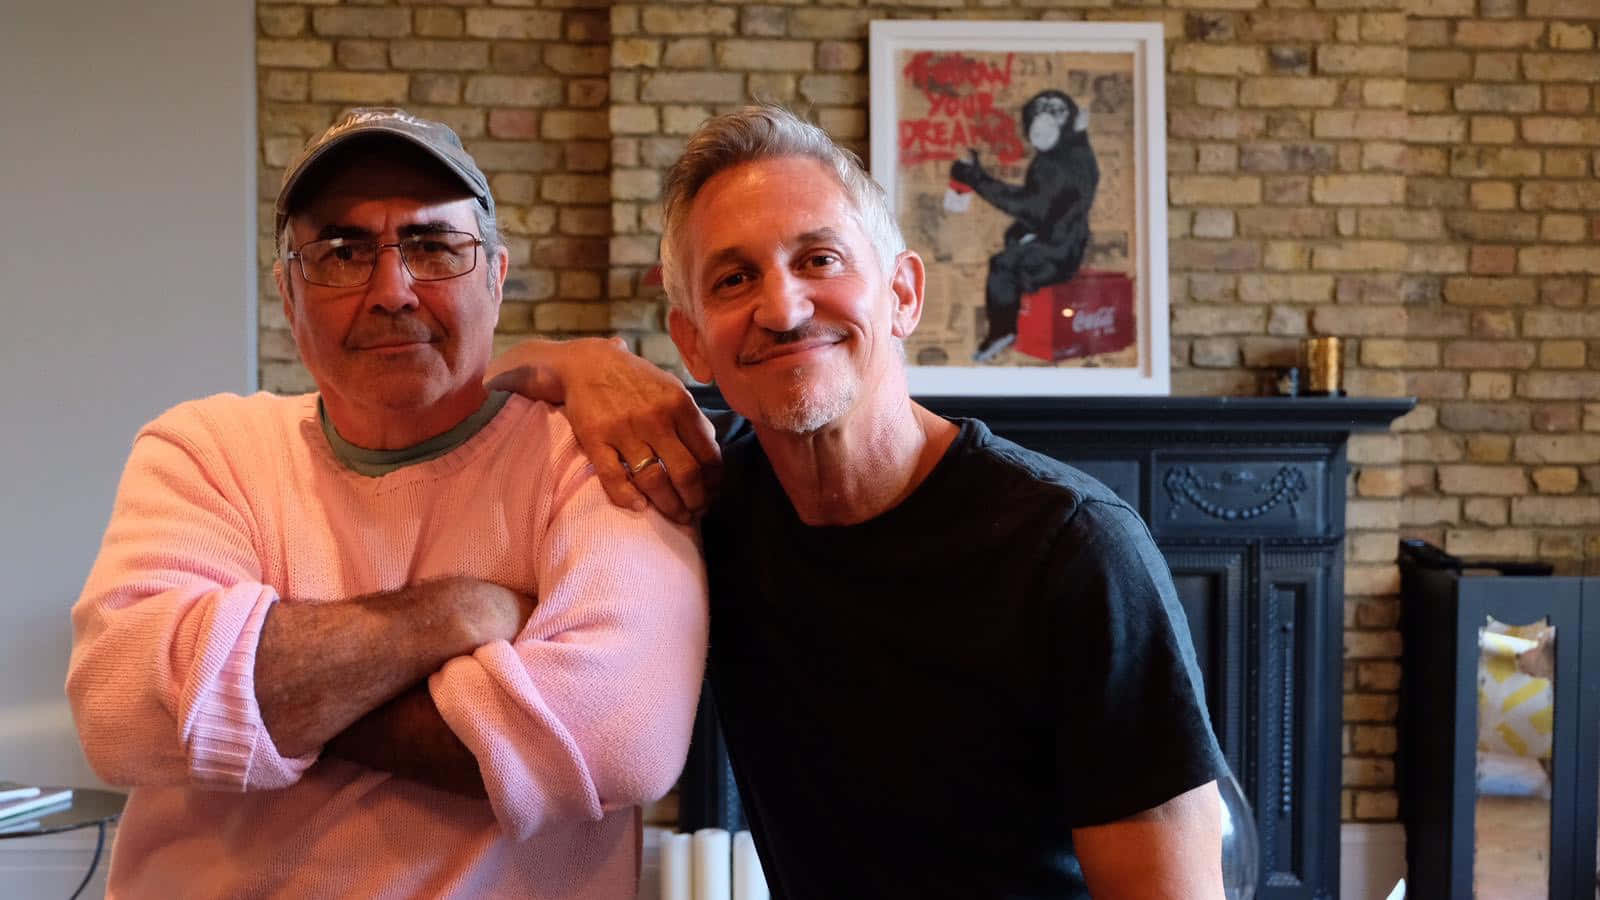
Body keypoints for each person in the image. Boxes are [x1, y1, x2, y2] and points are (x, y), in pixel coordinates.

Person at [491, 106, 1227, 898]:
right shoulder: (705, 506)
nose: (783, 309)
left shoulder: (1076, 550)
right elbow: (458, 409)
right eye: (734, 279)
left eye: (819, 259)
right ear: (692, 340)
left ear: (903, 293)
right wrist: (573, 360)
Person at [66, 108, 708, 898]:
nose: (393, 292)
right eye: (342, 253)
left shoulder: (591, 452)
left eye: (433, 247)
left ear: (495, 277)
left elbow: (616, 738)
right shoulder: (205, 448)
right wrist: (456, 614)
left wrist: (256, 698)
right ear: (289, 294)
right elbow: (121, 706)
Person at [949, 89, 1099, 362]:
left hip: (1059, 251)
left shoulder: (1064, 161)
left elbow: (1030, 207)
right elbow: (1046, 208)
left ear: (1070, 120)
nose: (1045, 119)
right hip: (1060, 239)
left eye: (1056, 111)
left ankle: (1002, 331)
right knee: (1012, 240)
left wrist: (976, 178)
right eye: (1041, 110)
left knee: (1002, 266)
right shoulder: (1065, 153)